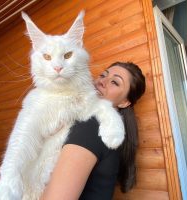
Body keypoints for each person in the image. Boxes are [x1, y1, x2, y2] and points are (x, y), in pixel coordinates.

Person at [41, 61, 146, 200]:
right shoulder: (105, 130)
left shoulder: (93, 126)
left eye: (115, 82)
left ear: (124, 102)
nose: (102, 81)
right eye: (103, 75)